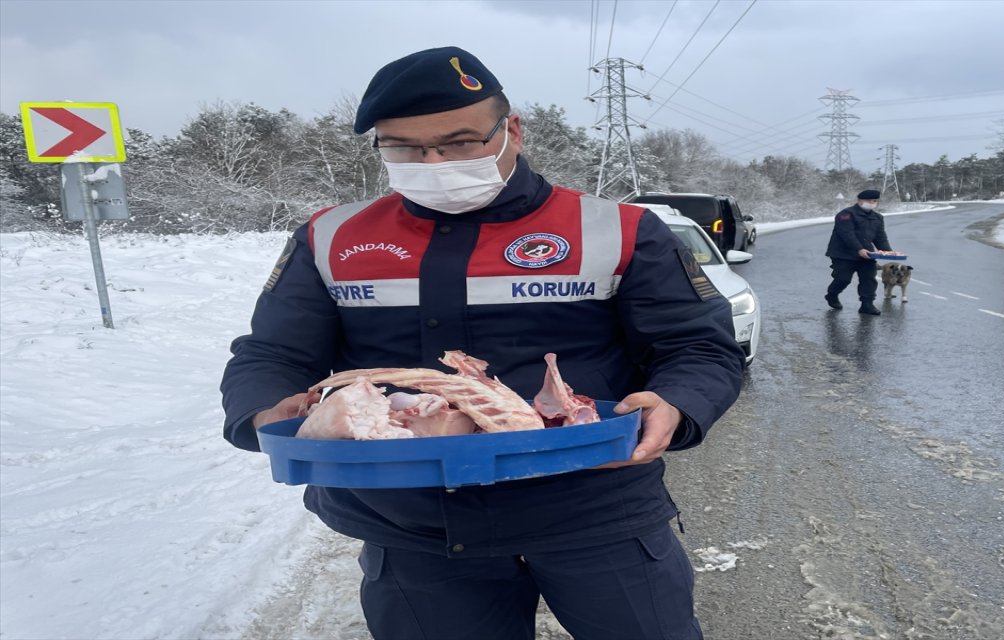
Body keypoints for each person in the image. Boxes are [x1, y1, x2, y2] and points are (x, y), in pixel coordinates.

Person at [220, 46, 744, 640]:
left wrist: (677, 401)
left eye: (460, 141)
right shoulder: (330, 236)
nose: (434, 160)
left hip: (596, 507)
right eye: (405, 147)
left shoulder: (618, 230)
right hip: (414, 524)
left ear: (511, 131)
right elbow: (272, 353)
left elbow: (698, 347)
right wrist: (262, 411)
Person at [824, 189, 895, 315]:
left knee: (869, 278)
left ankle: (867, 305)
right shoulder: (846, 214)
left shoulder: (877, 218)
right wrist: (859, 249)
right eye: (868, 200)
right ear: (859, 200)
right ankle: (832, 294)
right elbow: (847, 234)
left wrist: (888, 251)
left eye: (874, 201)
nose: (871, 203)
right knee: (843, 279)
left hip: (867, 255)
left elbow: (880, 237)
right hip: (843, 254)